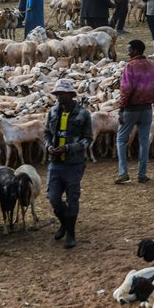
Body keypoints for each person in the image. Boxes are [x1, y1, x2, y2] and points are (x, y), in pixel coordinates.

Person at [44, 78, 92, 249]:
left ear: (71, 95)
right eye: (57, 94)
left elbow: (88, 139)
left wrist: (69, 148)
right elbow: (47, 134)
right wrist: (49, 146)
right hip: (55, 162)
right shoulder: (52, 112)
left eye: (62, 94)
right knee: (53, 198)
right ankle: (64, 223)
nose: (59, 97)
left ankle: (70, 233)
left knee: (72, 198)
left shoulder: (83, 114)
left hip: (74, 163)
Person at [114, 40, 154, 184]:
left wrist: (121, 109)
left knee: (121, 139)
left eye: (129, 49)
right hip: (146, 109)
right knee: (144, 141)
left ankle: (123, 173)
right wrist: (151, 98)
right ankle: (142, 174)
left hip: (131, 109)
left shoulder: (130, 66)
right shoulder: (152, 65)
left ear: (135, 50)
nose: (128, 52)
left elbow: (126, 89)